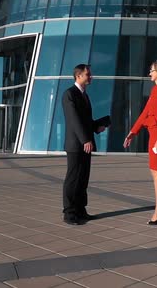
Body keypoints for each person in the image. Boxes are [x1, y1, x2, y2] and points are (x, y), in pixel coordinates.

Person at [123, 60, 157, 225]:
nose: (149, 73)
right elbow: (145, 112)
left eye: (151, 71)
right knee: (154, 170)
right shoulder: (155, 89)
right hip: (153, 133)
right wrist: (133, 132)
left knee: (156, 171)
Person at [62, 64, 107, 225]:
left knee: (83, 179)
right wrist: (85, 140)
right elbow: (74, 120)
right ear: (78, 76)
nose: (90, 77)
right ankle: (69, 213)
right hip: (76, 145)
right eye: (88, 74)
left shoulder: (84, 95)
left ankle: (80, 210)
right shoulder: (69, 94)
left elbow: (85, 121)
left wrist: (97, 127)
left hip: (85, 143)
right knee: (73, 178)